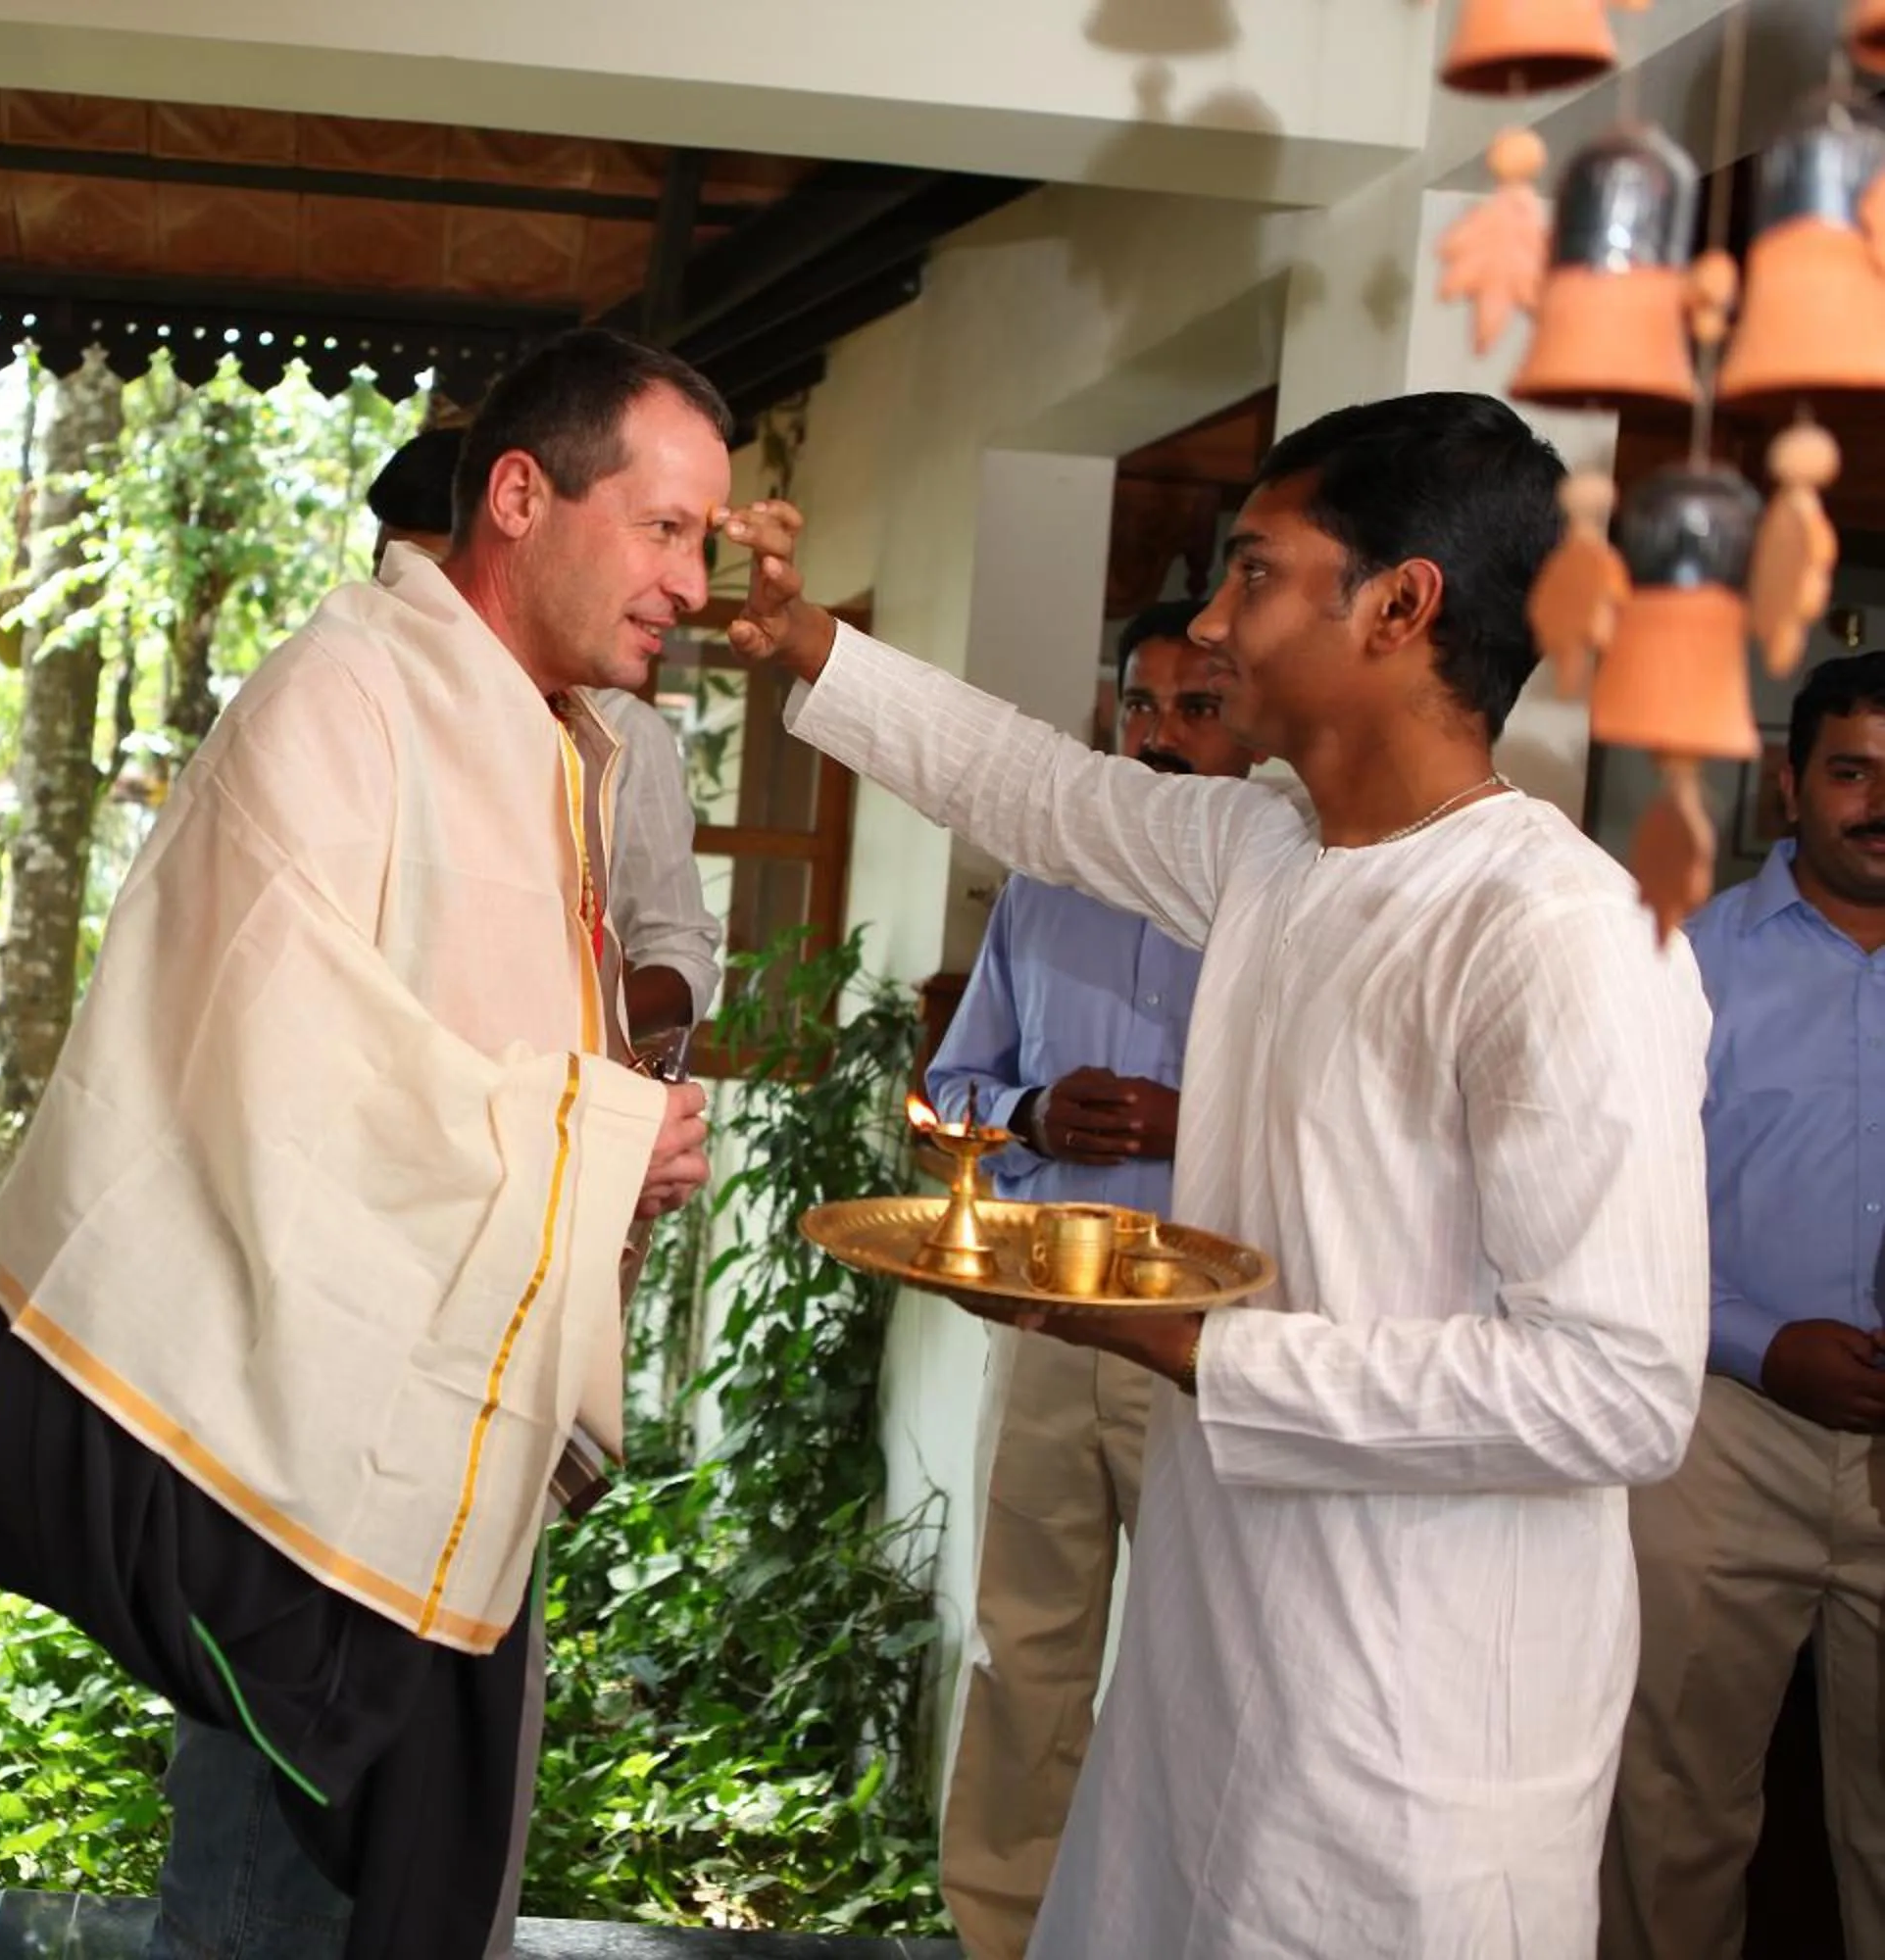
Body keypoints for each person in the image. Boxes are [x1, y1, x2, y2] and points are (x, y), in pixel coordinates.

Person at [724, 391, 1710, 1957]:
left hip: (1418, 1722)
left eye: (1255, 573)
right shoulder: (1271, 852)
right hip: (1215, 1654)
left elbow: (1619, 1389)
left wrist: (1198, 1347)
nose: (1208, 621)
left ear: (1399, 606)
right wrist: (802, 644)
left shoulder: (1556, 931)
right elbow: (1039, 790)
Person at [0, 328, 719, 1960]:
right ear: (522, 496)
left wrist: (605, 1139)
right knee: (269, 1900)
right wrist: (592, 1146)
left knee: (403, 1890)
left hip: (439, 1403)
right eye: (665, 528)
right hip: (301, 1436)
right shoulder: (348, 693)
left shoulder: (545, 735)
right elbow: (270, 1069)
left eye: (704, 540)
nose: (694, 584)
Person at [921, 595, 1262, 1960]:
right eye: (1142, 707)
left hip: (1218, 1337)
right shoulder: (1043, 885)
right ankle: (998, 1932)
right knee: (1025, 1647)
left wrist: (1199, 1121)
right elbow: (952, 1093)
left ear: (1254, 725)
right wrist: (1037, 1113)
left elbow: (1355, 1122)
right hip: (1053, 1319)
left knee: (1207, 1664)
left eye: (1200, 708)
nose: (1161, 737)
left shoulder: (1284, 889)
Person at [1602, 650, 1885, 1960]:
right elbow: (1617, 1216)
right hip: (1722, 1428)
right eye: (1852, 772)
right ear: (1790, 783)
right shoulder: (1680, 960)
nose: (1879, 804)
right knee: (1673, 1811)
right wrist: (1765, 1345)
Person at [368, 423, 724, 1038]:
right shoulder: (359, 702)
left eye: (429, 578)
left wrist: (554, 1036)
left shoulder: (616, 733)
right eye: (387, 573)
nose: (406, 601)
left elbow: (680, 958)